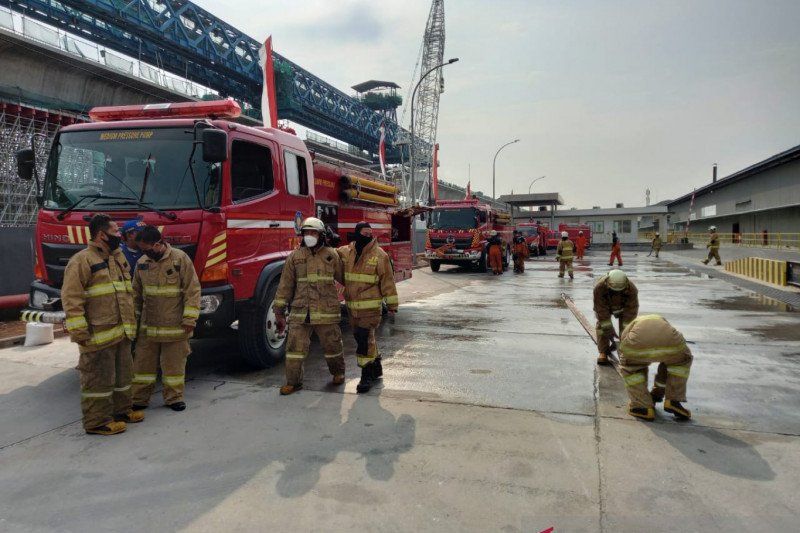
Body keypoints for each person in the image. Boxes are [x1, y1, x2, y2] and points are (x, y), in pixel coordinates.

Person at [61, 213, 143, 435]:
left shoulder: (117, 258)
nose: (119, 235)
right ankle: (97, 422)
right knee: (98, 381)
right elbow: (72, 298)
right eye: (115, 232)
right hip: (97, 335)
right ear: (101, 235)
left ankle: (122, 410)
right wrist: (79, 331)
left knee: (123, 377)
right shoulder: (82, 260)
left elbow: (125, 293)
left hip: (121, 332)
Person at [130, 226, 201, 412]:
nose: (145, 253)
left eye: (147, 248)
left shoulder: (180, 259)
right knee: (142, 367)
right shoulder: (142, 263)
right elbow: (135, 295)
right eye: (142, 250)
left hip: (175, 326)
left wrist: (189, 319)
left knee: (174, 366)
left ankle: (174, 398)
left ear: (159, 243)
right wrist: (132, 324)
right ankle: (139, 398)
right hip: (148, 327)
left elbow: (192, 290)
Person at [273, 217, 345, 395]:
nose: (309, 236)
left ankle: (338, 373)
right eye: (306, 232)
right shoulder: (295, 257)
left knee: (332, 345)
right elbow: (285, 286)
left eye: (313, 232)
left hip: (326, 311)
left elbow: (345, 279)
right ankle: (293, 382)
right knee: (294, 349)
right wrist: (278, 311)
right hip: (301, 311)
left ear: (321, 235)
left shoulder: (331, 255)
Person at [338, 222, 399, 393]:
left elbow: (388, 280)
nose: (368, 236)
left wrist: (392, 303)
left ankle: (366, 376)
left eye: (370, 233)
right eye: (365, 233)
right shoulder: (345, 252)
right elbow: (331, 258)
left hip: (371, 309)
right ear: (357, 233)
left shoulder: (380, 255)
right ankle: (376, 366)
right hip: (352, 309)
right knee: (363, 338)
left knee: (364, 340)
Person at [618, 314, 693, 421]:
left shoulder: (632, 325)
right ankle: (672, 400)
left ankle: (642, 407)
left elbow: (623, 342)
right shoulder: (662, 321)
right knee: (679, 362)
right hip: (672, 342)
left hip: (637, 344)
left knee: (631, 368)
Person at [593, 269, 638, 365]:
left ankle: (626, 353)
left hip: (624, 308)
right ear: (607, 283)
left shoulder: (632, 289)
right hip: (605, 307)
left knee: (627, 327)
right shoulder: (599, 287)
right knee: (602, 327)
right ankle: (603, 352)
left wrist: (624, 333)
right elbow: (601, 311)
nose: (617, 293)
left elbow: (630, 311)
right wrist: (609, 331)